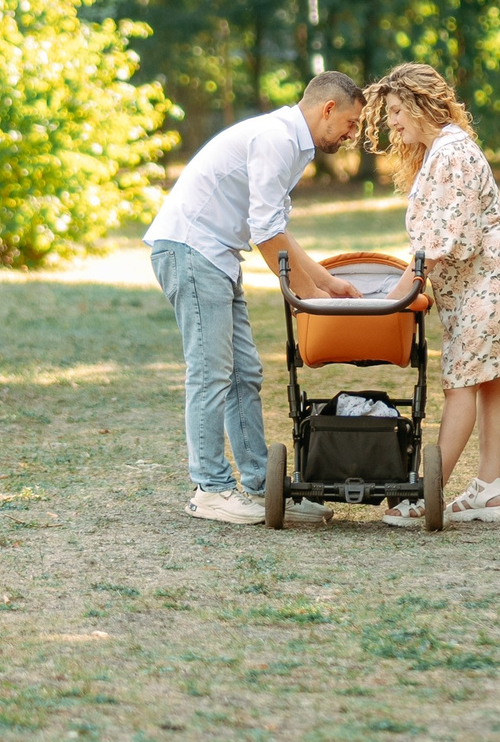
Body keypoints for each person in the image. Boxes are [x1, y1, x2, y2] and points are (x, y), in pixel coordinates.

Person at [145, 72, 367, 524]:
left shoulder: (292, 144)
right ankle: (210, 488)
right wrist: (307, 297)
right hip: (192, 250)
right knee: (211, 374)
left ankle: (261, 487)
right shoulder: (276, 139)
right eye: (350, 122)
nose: (353, 134)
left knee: (244, 373)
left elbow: (276, 229)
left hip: (217, 256)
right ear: (327, 109)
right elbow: (265, 231)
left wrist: (326, 283)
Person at [363, 63, 500, 526]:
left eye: (394, 110)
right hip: (491, 273)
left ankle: (425, 495)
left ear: (418, 103)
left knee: (462, 381)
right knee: (488, 378)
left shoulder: (451, 153)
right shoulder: (440, 151)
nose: (390, 122)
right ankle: (489, 491)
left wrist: (395, 295)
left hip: (492, 275)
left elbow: (445, 243)